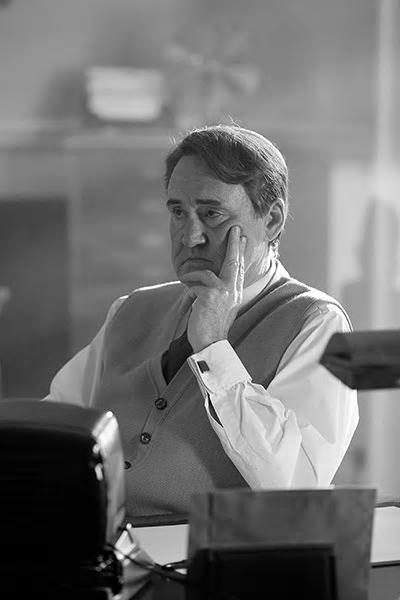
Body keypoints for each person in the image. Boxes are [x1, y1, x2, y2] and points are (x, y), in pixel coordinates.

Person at [44, 124, 358, 520]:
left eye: (212, 214)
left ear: (272, 219)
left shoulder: (318, 323)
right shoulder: (131, 310)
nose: (190, 236)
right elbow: (54, 427)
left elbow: (296, 485)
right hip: (102, 546)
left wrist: (213, 348)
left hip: (213, 554)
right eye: (178, 212)